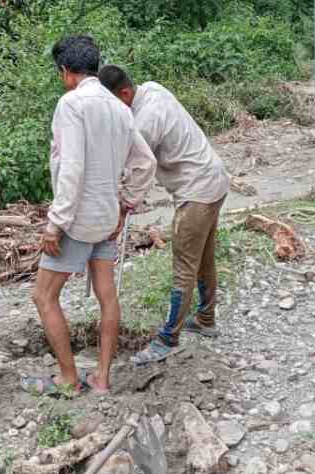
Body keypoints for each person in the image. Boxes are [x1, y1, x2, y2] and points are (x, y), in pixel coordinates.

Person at [24, 36, 155, 396]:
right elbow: (146, 163)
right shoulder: (118, 109)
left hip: (78, 220)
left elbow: (72, 169)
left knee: (43, 296)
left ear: (66, 72)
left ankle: (68, 378)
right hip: (107, 218)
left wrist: (56, 223)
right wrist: (125, 206)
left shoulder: (71, 104)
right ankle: (102, 377)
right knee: (107, 295)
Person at [98, 65, 231, 365]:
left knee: (184, 264)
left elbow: (139, 171)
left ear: (126, 94)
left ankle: (168, 339)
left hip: (196, 192)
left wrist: (122, 207)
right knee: (203, 257)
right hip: (215, 179)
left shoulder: (145, 122)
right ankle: (206, 319)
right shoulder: (153, 89)